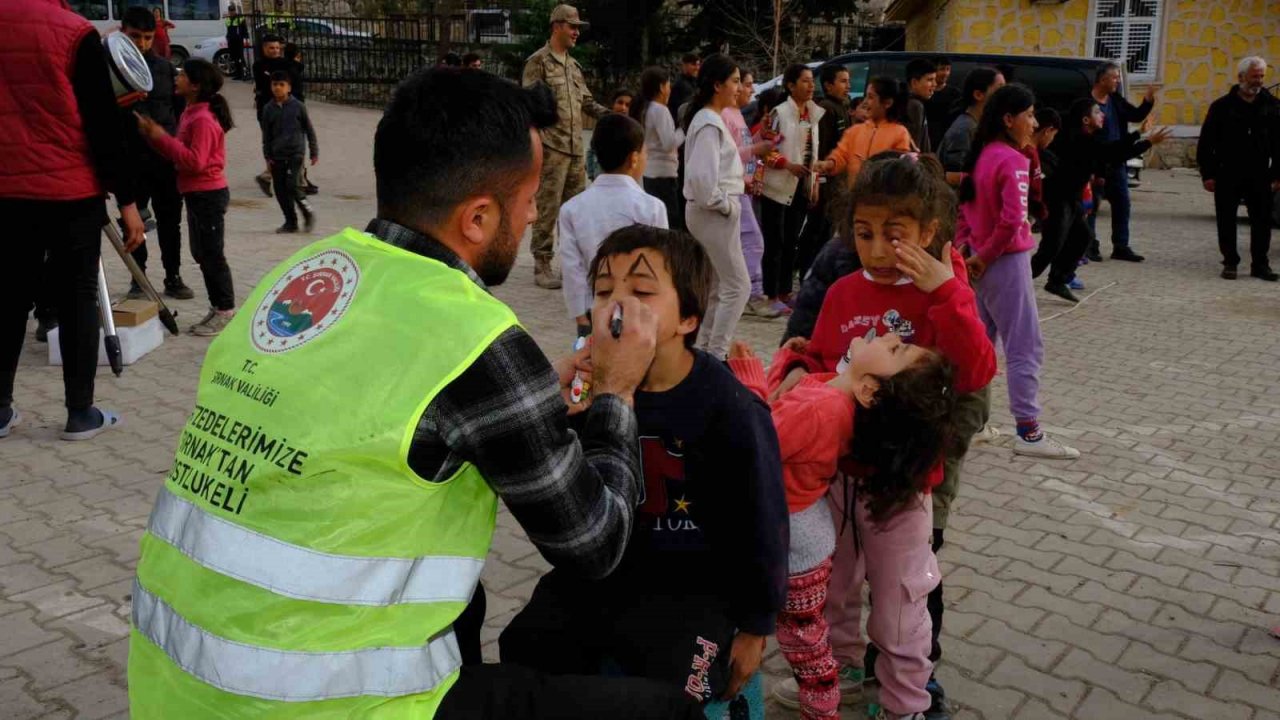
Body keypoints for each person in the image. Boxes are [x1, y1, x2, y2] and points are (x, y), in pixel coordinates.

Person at [127, 66, 707, 720]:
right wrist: (617, 393)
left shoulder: (300, 277)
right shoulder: (476, 336)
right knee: (666, 713)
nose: (533, 212)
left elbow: (381, 397)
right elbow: (595, 544)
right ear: (479, 217)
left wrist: (530, 389)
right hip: (317, 705)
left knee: (472, 607)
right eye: (528, 197)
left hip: (173, 683)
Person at [501, 224, 787, 712]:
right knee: (524, 648)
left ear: (689, 318)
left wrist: (757, 626)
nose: (617, 305)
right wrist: (551, 409)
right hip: (600, 578)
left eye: (642, 291)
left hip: (691, 589)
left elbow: (762, 522)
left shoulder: (730, 408)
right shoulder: (586, 394)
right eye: (604, 290)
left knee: (686, 691)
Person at [767, 153, 996, 720]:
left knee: (899, 602)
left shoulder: (940, 292)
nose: (876, 249)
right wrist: (800, 370)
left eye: (894, 235)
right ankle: (840, 673)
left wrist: (947, 291)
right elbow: (824, 359)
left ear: (928, 232)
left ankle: (905, 703)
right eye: (864, 234)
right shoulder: (844, 291)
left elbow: (974, 373)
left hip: (902, 480)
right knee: (835, 585)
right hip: (834, 475)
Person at [730, 327, 957, 720]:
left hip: (797, 539)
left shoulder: (824, 409)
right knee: (808, 636)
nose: (888, 337)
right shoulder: (831, 398)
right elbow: (790, 403)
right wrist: (788, 361)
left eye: (896, 348)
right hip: (806, 528)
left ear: (870, 391)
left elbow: (756, 440)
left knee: (805, 643)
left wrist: (747, 379)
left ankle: (823, 709)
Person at [0, 0, 145, 441]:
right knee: (77, 297)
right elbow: (103, 124)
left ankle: (0, 410)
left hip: (7, 191)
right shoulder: (74, 32)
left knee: (7, 297)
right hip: (71, 191)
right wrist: (128, 201)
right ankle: (79, 413)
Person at [957, 84, 1079, 459]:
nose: (1035, 122)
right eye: (1028, 115)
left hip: (981, 261)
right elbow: (1012, 221)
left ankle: (968, 422)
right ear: (1008, 119)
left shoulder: (983, 155)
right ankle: (1028, 431)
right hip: (1003, 263)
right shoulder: (1013, 159)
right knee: (1025, 345)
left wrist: (969, 254)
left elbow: (965, 212)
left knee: (978, 347)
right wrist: (985, 256)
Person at [136, 59, 237, 337]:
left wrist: (160, 137)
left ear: (195, 85)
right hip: (195, 193)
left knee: (212, 255)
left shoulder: (203, 119)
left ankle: (226, 310)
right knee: (201, 253)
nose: (176, 78)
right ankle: (217, 307)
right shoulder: (191, 111)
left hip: (208, 194)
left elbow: (195, 162)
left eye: (181, 75)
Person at [1033, 98, 1171, 301]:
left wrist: (1139, 133)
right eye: (1098, 112)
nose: (1103, 115)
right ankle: (1018, 279)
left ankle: (1058, 280)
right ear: (1086, 119)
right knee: (1052, 245)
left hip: (1071, 199)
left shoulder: (1089, 138)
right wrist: (1146, 140)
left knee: (1082, 236)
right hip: (1057, 198)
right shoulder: (1079, 138)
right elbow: (1113, 152)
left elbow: (1110, 152)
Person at [522, 4, 611, 289]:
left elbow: (585, 102)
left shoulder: (573, 66)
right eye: (572, 27)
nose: (576, 32)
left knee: (576, 212)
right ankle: (542, 264)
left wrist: (611, 116)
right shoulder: (538, 62)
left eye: (577, 28)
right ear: (557, 26)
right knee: (547, 209)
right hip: (551, 148)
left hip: (574, 150)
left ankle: (575, 263)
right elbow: (530, 105)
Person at [560, 114, 668, 334]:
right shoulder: (652, 207)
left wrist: (580, 315)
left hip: (594, 310)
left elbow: (572, 268)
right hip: (641, 311)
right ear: (634, 158)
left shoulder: (571, 208)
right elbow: (661, 267)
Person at [120, 7, 194, 301]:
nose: (141, 43)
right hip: (130, 160)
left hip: (165, 161)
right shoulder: (111, 69)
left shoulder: (164, 69)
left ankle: (173, 277)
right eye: (135, 36)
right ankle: (138, 279)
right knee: (133, 222)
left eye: (147, 37)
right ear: (122, 32)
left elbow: (179, 112)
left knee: (169, 222)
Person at [681, 54, 752, 360]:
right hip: (713, 214)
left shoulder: (709, 119)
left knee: (718, 286)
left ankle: (705, 350)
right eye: (735, 81)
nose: (739, 88)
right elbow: (702, 179)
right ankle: (717, 354)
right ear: (716, 85)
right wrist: (726, 205)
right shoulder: (709, 122)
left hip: (710, 212)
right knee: (738, 286)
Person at [1198, 56, 1280, 281]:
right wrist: (1208, 174)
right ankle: (1230, 262)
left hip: (1261, 174)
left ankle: (1260, 265)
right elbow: (1207, 143)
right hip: (1228, 173)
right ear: (1241, 77)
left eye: (1262, 76)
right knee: (1226, 220)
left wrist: (1277, 175)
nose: (1259, 81)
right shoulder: (1222, 107)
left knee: (1262, 221)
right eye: (1255, 76)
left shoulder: (1272, 106)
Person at [760, 64, 825, 316]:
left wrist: (814, 181)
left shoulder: (812, 114)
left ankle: (786, 291)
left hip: (800, 185)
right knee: (774, 241)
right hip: (777, 186)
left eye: (812, 82)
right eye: (805, 81)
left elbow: (814, 152)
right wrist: (787, 164)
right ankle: (770, 293)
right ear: (790, 85)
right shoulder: (779, 113)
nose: (811, 86)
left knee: (791, 241)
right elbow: (766, 150)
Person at [1087, 62, 1157, 262]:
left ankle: (1121, 246)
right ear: (1102, 79)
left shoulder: (1115, 100)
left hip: (1117, 161)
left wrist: (1148, 101)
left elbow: (1135, 115)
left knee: (1122, 204)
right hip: (1096, 163)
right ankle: (1090, 245)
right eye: (1115, 77)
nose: (1118, 81)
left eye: (1118, 77)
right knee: (1091, 207)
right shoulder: (1087, 103)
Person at [723, 69, 778, 319]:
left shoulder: (736, 115)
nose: (749, 90)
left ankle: (745, 293)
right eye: (743, 84)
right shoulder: (724, 115)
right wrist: (757, 147)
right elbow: (729, 154)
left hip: (741, 186)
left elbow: (743, 147)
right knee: (753, 241)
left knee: (745, 242)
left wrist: (758, 138)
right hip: (732, 188)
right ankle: (751, 295)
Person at [819, 77, 913, 185]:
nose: (865, 102)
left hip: (882, 198)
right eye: (866, 96)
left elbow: (898, 170)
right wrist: (829, 164)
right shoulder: (854, 131)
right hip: (855, 197)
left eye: (871, 97)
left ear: (887, 103)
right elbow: (841, 155)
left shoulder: (900, 133)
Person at [261, 71, 318, 234]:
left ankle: (307, 211)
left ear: (289, 88)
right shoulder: (268, 109)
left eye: (281, 85)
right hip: (276, 155)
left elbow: (309, 130)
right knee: (279, 189)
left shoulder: (298, 106)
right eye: (274, 84)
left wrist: (314, 152)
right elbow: (266, 135)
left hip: (295, 154)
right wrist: (267, 156)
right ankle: (290, 221)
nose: (278, 88)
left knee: (292, 185)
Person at [633, 67, 686, 227]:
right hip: (663, 174)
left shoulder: (647, 108)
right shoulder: (660, 110)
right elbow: (669, 143)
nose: (670, 90)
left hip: (651, 172)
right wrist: (683, 130)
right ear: (662, 87)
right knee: (670, 221)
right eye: (668, 85)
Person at [937, 67, 1005, 175]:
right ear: (978, 95)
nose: (1005, 97)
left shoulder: (978, 125)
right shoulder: (964, 129)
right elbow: (953, 176)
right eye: (999, 91)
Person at [251, 34, 292, 197]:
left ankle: (270, 176)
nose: (275, 51)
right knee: (272, 143)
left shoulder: (284, 63)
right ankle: (270, 175)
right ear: (264, 48)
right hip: (266, 109)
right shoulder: (258, 65)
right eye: (271, 48)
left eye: (277, 48)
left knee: (284, 143)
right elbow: (266, 84)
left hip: (284, 108)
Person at [903, 58, 937, 153]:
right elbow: (914, 147)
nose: (935, 84)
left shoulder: (909, 103)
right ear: (914, 82)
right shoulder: (915, 106)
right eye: (930, 80)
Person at [925, 57, 959, 151]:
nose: (945, 73)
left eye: (948, 69)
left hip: (947, 140)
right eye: (942, 69)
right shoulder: (925, 93)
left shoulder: (955, 94)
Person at [669, 52, 700, 123]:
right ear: (684, 65)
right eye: (693, 64)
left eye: (698, 65)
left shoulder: (696, 82)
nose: (697, 68)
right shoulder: (680, 85)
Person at [224, 4, 248, 80]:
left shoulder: (240, 18)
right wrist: (227, 37)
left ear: (235, 11)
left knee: (240, 57)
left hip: (238, 40)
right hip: (231, 40)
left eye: (233, 10)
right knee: (234, 58)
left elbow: (244, 29)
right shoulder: (227, 19)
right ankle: (237, 74)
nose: (231, 12)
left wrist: (246, 37)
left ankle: (243, 74)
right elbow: (228, 30)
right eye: (230, 11)